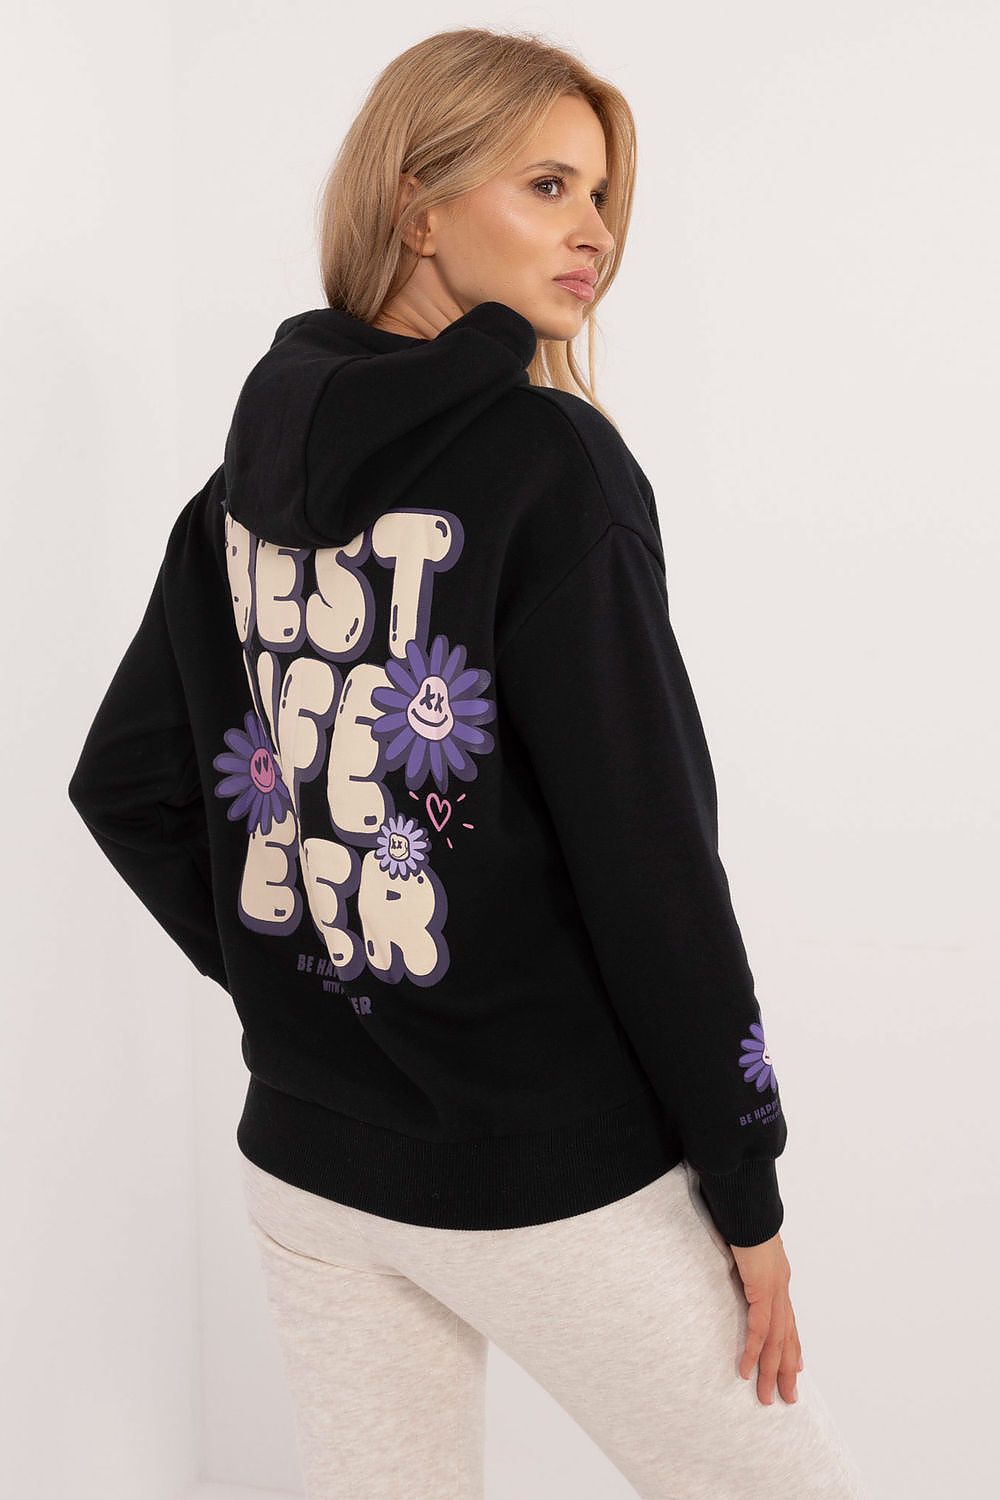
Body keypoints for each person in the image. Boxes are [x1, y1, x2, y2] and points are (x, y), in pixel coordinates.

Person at [67, 25, 868, 1500]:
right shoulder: (548, 465)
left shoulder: (237, 483)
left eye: (604, 194)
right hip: (537, 1170)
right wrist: (746, 1185)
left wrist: (317, 988)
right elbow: (651, 863)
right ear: (419, 207)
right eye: (548, 185)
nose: (596, 230)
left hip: (309, 1163)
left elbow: (125, 786)